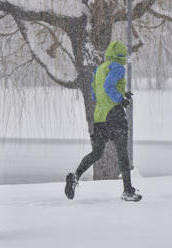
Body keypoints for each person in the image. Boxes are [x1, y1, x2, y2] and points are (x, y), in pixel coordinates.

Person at [65, 41, 142, 201]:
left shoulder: (100, 69)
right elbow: (109, 87)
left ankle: (75, 175)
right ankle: (128, 191)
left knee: (97, 153)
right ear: (121, 56)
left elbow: (95, 94)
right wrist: (120, 100)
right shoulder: (118, 67)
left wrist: (121, 93)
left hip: (100, 117)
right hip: (114, 115)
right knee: (122, 154)